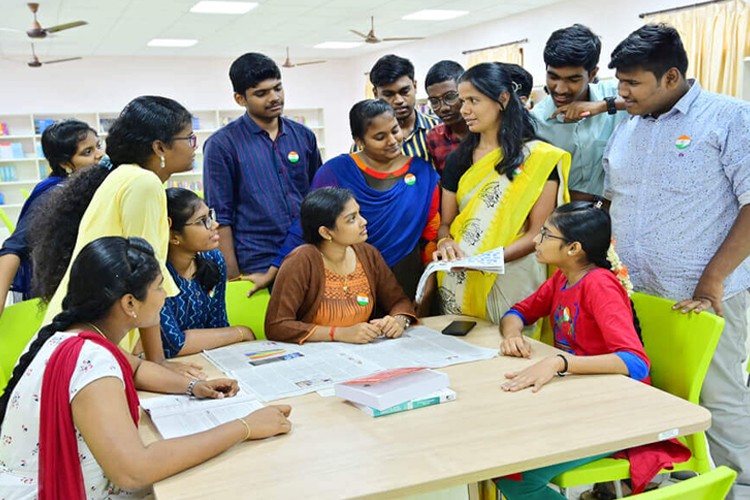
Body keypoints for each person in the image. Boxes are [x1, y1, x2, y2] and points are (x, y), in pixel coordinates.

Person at [0, 236, 292, 498]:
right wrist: (244, 427)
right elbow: (134, 470)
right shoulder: (92, 361)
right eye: (159, 287)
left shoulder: (70, 335)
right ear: (129, 303)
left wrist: (192, 386)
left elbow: (136, 369)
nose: (166, 295)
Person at [604, 24, 750, 499]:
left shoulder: (729, 118)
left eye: (632, 83)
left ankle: (741, 485)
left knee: (718, 399)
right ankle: (684, 487)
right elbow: (616, 200)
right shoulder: (628, 125)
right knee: (658, 397)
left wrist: (712, 279)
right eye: (619, 83)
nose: (622, 93)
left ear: (670, 77)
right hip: (641, 296)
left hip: (706, 298)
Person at [496, 203, 654, 499]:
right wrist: (513, 334)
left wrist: (560, 362)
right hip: (580, 401)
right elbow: (517, 312)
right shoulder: (563, 277)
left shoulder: (599, 285)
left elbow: (636, 363)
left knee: (517, 477)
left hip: (620, 411)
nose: (535, 241)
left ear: (573, 248)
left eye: (545, 235)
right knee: (502, 453)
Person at [30, 96, 197, 373]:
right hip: (87, 341)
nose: (194, 147)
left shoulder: (125, 175)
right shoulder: (144, 183)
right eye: (188, 138)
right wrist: (158, 364)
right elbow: (145, 277)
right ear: (159, 147)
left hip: (81, 333)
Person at [435, 62, 570, 323]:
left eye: (473, 100)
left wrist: (486, 260)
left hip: (515, 274)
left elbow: (537, 233)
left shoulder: (538, 158)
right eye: (462, 101)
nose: (464, 110)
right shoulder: (458, 160)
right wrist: (445, 243)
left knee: (515, 350)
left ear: (502, 99)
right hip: (461, 275)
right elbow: (446, 224)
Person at [273, 99, 440, 300]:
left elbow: (431, 233)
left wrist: (428, 285)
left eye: (395, 130)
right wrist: (276, 269)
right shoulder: (336, 171)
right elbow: (307, 224)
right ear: (359, 140)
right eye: (380, 137)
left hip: (407, 275)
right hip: (349, 275)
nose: (393, 140)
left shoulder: (422, 173)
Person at [203, 52, 322, 297]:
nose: (274, 98)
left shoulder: (304, 136)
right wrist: (233, 278)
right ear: (239, 99)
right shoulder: (222, 145)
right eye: (261, 93)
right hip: (256, 264)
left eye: (277, 88)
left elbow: (318, 201)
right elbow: (221, 217)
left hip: (308, 254)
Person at [266, 187, 417, 344]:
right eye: (352, 219)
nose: (363, 221)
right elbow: (277, 325)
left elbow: (399, 301)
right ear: (326, 232)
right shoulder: (301, 261)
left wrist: (398, 320)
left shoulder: (367, 254)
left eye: (359, 213)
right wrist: (337, 333)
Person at [0, 119, 103, 315]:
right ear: (65, 164)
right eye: (87, 152)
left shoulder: (86, 185)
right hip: (58, 292)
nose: (100, 155)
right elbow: (14, 247)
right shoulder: (54, 193)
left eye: (98, 145)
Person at [531, 24, 625, 202]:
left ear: (592, 74)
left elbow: (663, 97)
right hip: (562, 220)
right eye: (553, 77)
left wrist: (604, 106)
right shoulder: (535, 122)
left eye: (573, 79)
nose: (560, 89)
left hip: (615, 219)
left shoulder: (614, 93)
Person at [160, 187, 255, 358]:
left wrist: (233, 334)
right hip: (171, 367)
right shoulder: (157, 274)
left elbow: (219, 325)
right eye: (202, 221)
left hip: (207, 359)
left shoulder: (213, 259)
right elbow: (173, 344)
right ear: (173, 236)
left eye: (210, 217)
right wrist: (241, 332)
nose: (215, 225)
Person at [362, 54, 440, 165]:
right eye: (389, 94)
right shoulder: (366, 143)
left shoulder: (440, 128)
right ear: (375, 94)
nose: (398, 100)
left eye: (404, 92)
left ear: (415, 86)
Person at [424, 60, 468, 174]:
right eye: (434, 101)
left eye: (450, 97)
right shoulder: (434, 137)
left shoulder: (487, 129)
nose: (443, 108)